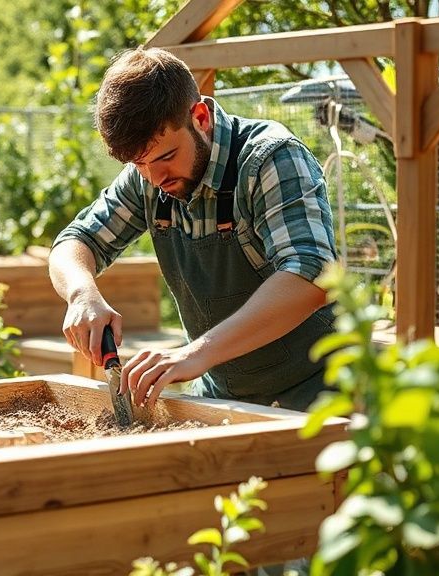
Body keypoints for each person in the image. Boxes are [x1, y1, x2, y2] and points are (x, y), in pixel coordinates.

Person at [49, 46, 337, 413]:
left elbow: (311, 275)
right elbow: (76, 241)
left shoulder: (269, 158)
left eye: (167, 157)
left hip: (322, 392)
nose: (155, 178)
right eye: (140, 164)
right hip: (224, 397)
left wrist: (196, 353)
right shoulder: (148, 177)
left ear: (200, 117)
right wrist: (81, 294)